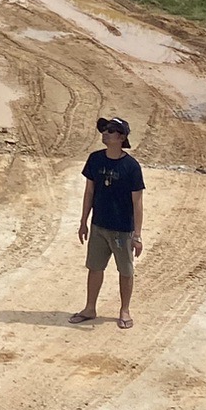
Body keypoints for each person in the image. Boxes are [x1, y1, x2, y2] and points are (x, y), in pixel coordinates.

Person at [73, 116, 144, 328]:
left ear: (122, 137)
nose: (105, 133)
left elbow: (137, 203)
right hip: (98, 226)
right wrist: (84, 222)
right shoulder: (95, 159)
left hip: (122, 230)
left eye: (111, 130)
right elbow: (89, 192)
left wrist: (137, 236)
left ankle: (124, 310)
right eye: (104, 129)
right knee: (94, 268)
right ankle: (90, 308)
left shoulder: (131, 167)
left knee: (125, 271)